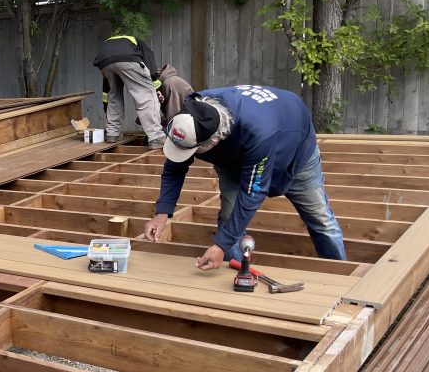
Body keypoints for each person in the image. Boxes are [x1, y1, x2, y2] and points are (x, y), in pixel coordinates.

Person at [143, 85, 346, 270]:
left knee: (321, 220)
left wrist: (221, 244)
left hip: (297, 153)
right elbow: (174, 167)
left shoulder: (258, 133)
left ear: (214, 141)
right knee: (229, 219)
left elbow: (253, 193)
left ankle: (341, 274)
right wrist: (162, 211)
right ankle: (234, 271)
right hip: (235, 157)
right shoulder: (190, 118)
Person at [92, 34, 165, 148]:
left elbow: (107, 91)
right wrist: (155, 86)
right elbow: (150, 61)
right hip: (128, 59)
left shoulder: (110, 44)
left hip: (104, 62)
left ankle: (113, 133)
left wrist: (106, 106)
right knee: (145, 95)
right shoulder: (137, 42)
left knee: (114, 95)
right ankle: (156, 137)